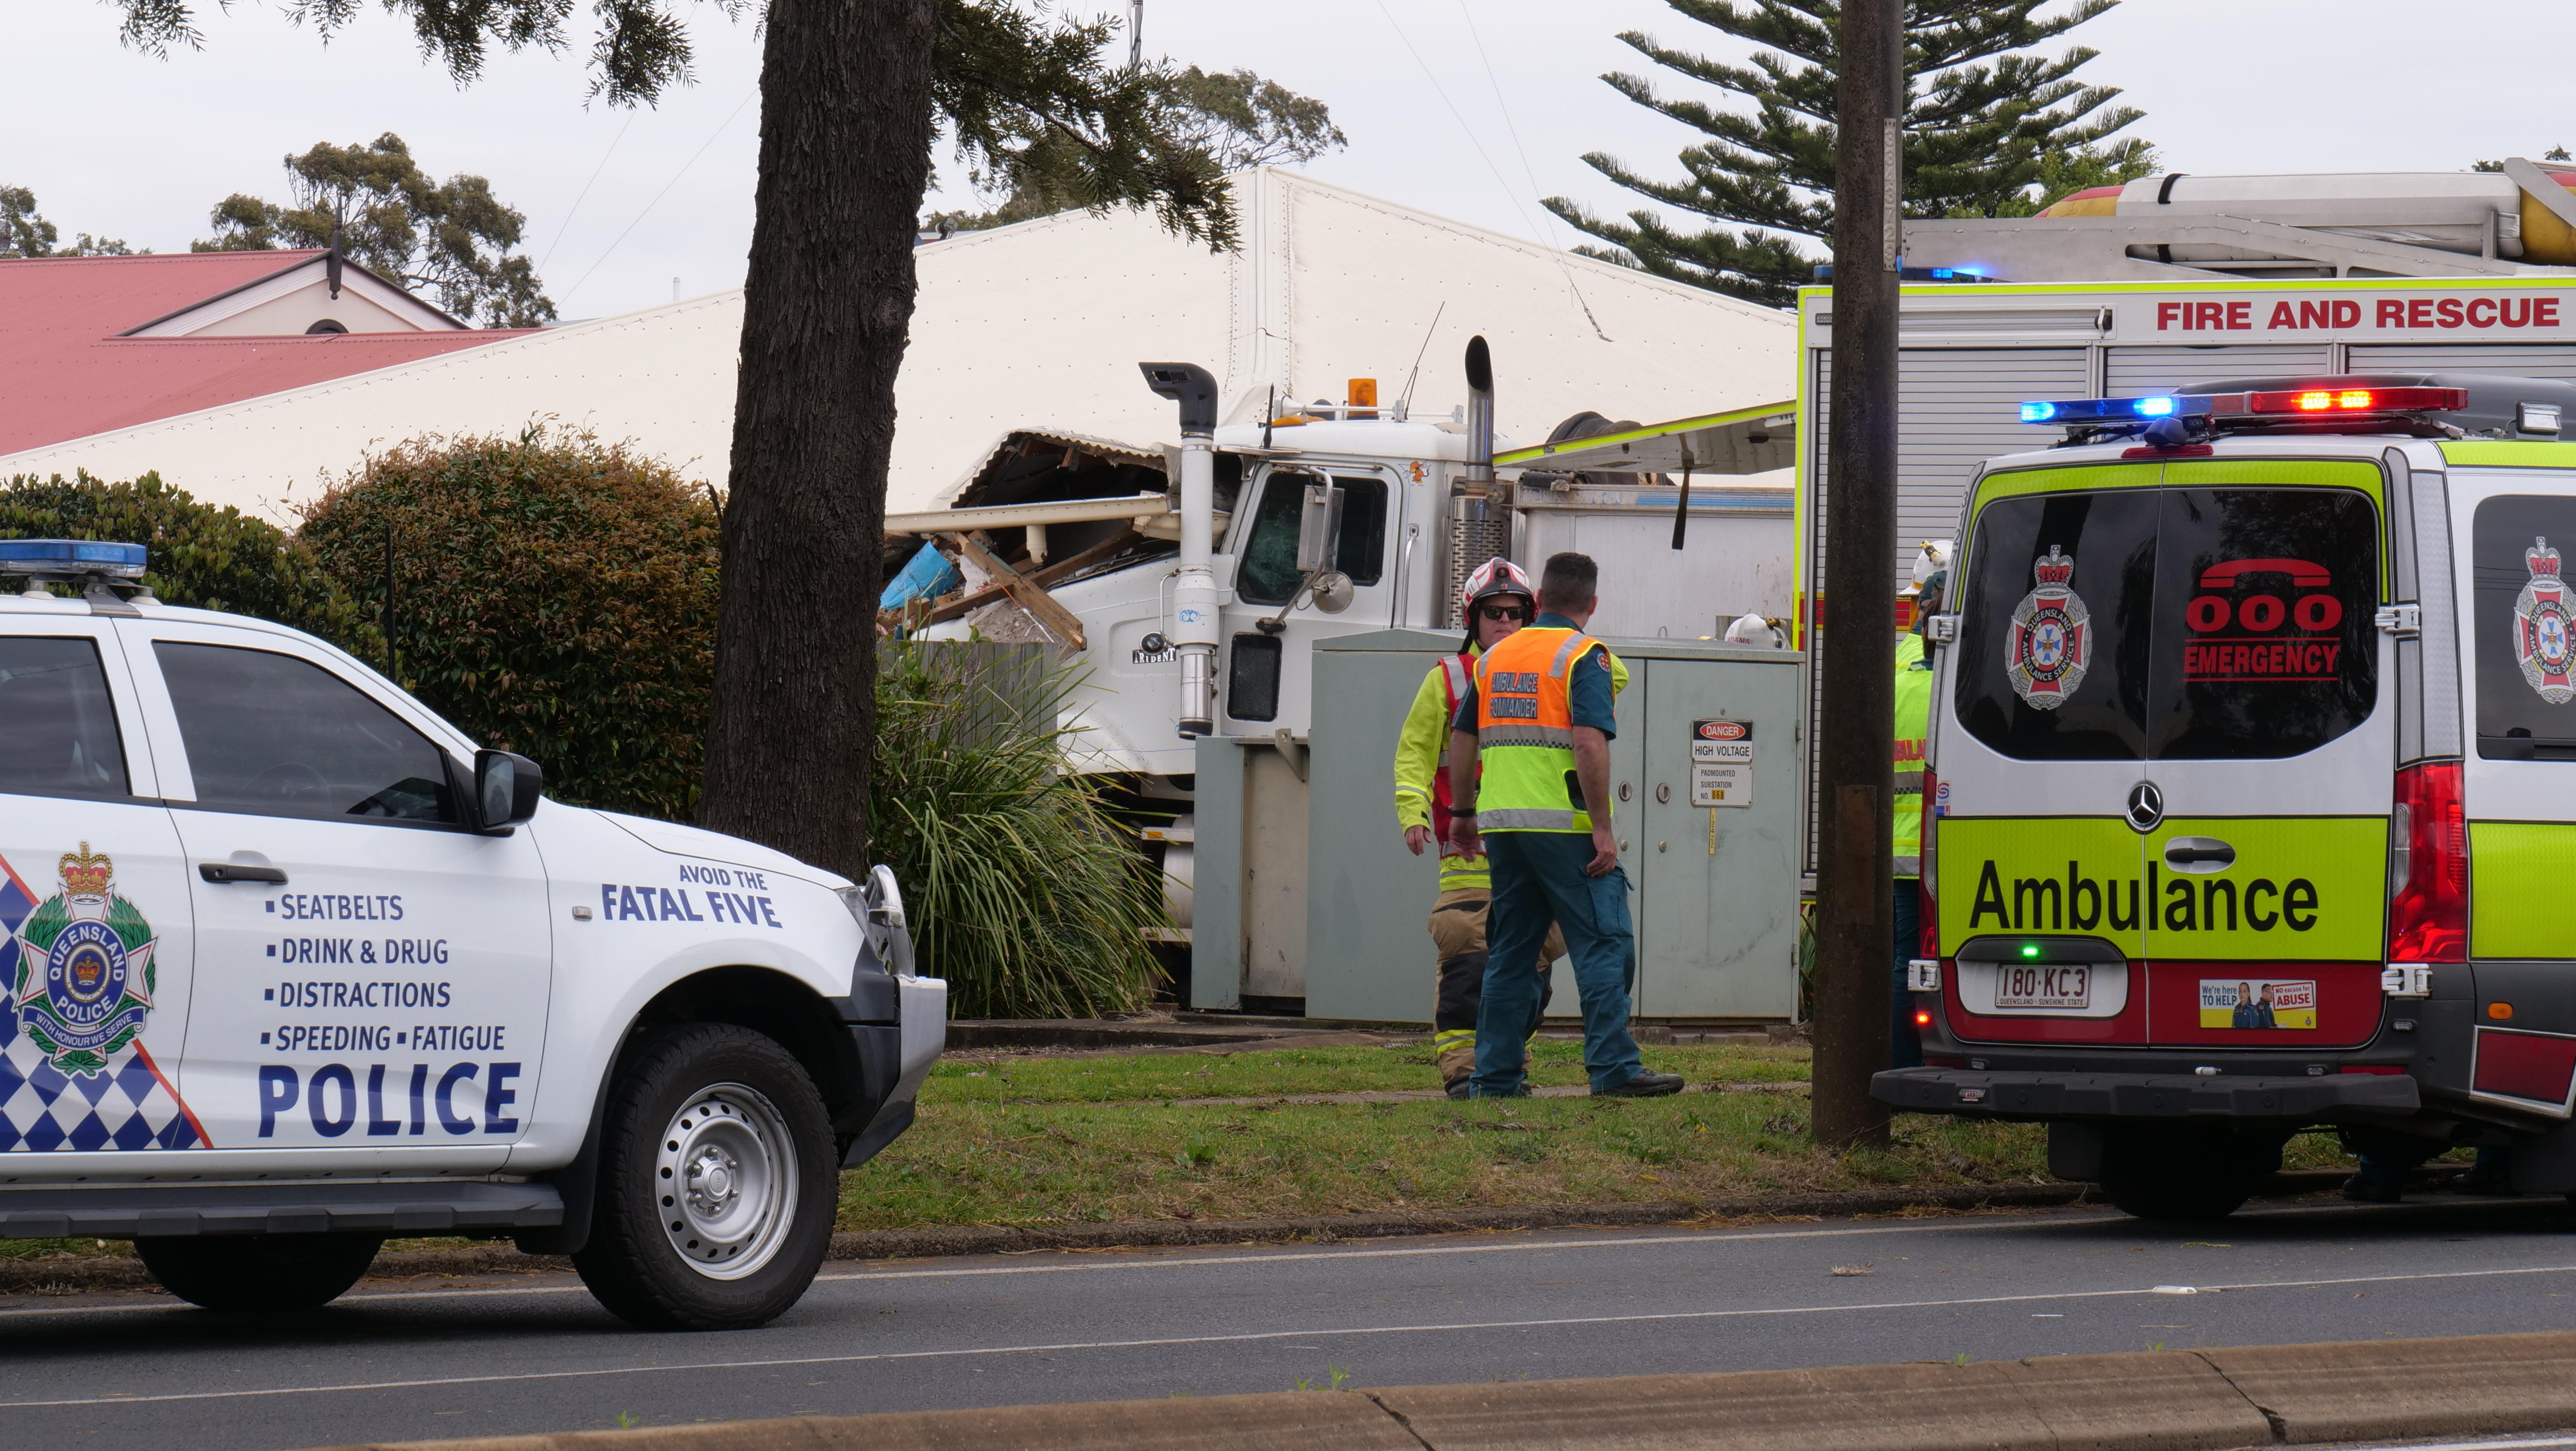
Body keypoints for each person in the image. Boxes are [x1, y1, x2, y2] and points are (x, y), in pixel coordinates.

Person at [1445, 551, 1684, 1099]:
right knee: (1603, 943)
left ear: (1538, 600)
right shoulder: (1583, 655)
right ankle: (1613, 1068)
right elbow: (1588, 743)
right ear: (1591, 603)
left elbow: (1462, 737)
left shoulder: (1494, 658)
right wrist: (1602, 828)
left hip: (1503, 827)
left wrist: (1461, 814)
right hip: (1564, 827)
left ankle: (1495, 1077)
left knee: (1511, 952)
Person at [1394, 558, 1568, 1098]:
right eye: (1494, 613)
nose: (1505, 623)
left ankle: (1507, 1069)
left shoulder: (1550, 673)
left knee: (1532, 970)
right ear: (1474, 619)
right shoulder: (1447, 679)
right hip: (1467, 855)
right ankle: (1466, 1075)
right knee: (1469, 964)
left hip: (1535, 851)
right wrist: (1413, 812)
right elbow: (1414, 754)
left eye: (1516, 613)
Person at [1891, 566, 1942, 1069]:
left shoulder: (1896, 675)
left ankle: (1903, 1062)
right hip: (1948, 847)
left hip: (1900, 848)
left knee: (1904, 959)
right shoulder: (1954, 682)